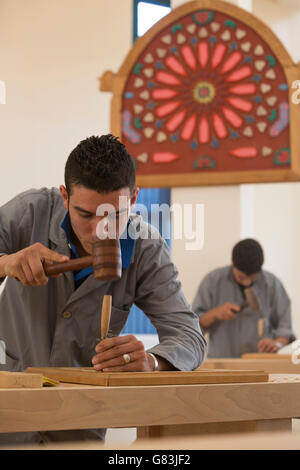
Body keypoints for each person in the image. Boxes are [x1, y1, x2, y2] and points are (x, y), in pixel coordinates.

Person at [0, 134, 206, 444]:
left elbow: (190, 338)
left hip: (81, 426)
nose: (99, 231)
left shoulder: (146, 249)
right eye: (85, 214)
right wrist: (5, 263)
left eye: (114, 215)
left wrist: (152, 362)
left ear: (134, 198)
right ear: (65, 196)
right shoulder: (29, 212)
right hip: (9, 414)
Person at [192, 238, 295, 358]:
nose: (246, 283)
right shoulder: (212, 281)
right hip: (222, 366)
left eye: (252, 278)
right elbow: (193, 325)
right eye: (241, 277)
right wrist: (215, 313)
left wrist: (277, 344)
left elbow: (285, 328)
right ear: (232, 262)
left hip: (262, 365)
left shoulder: (273, 285)